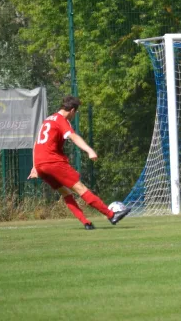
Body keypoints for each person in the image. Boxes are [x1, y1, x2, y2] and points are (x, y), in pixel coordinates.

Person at [28, 96, 131, 229]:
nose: (74, 115)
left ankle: (86, 223)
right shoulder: (61, 120)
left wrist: (35, 166)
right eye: (75, 113)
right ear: (72, 110)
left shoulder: (48, 119)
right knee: (80, 188)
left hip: (40, 164)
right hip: (53, 161)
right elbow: (74, 136)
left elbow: (36, 144)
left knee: (66, 193)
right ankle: (111, 215)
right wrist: (89, 150)